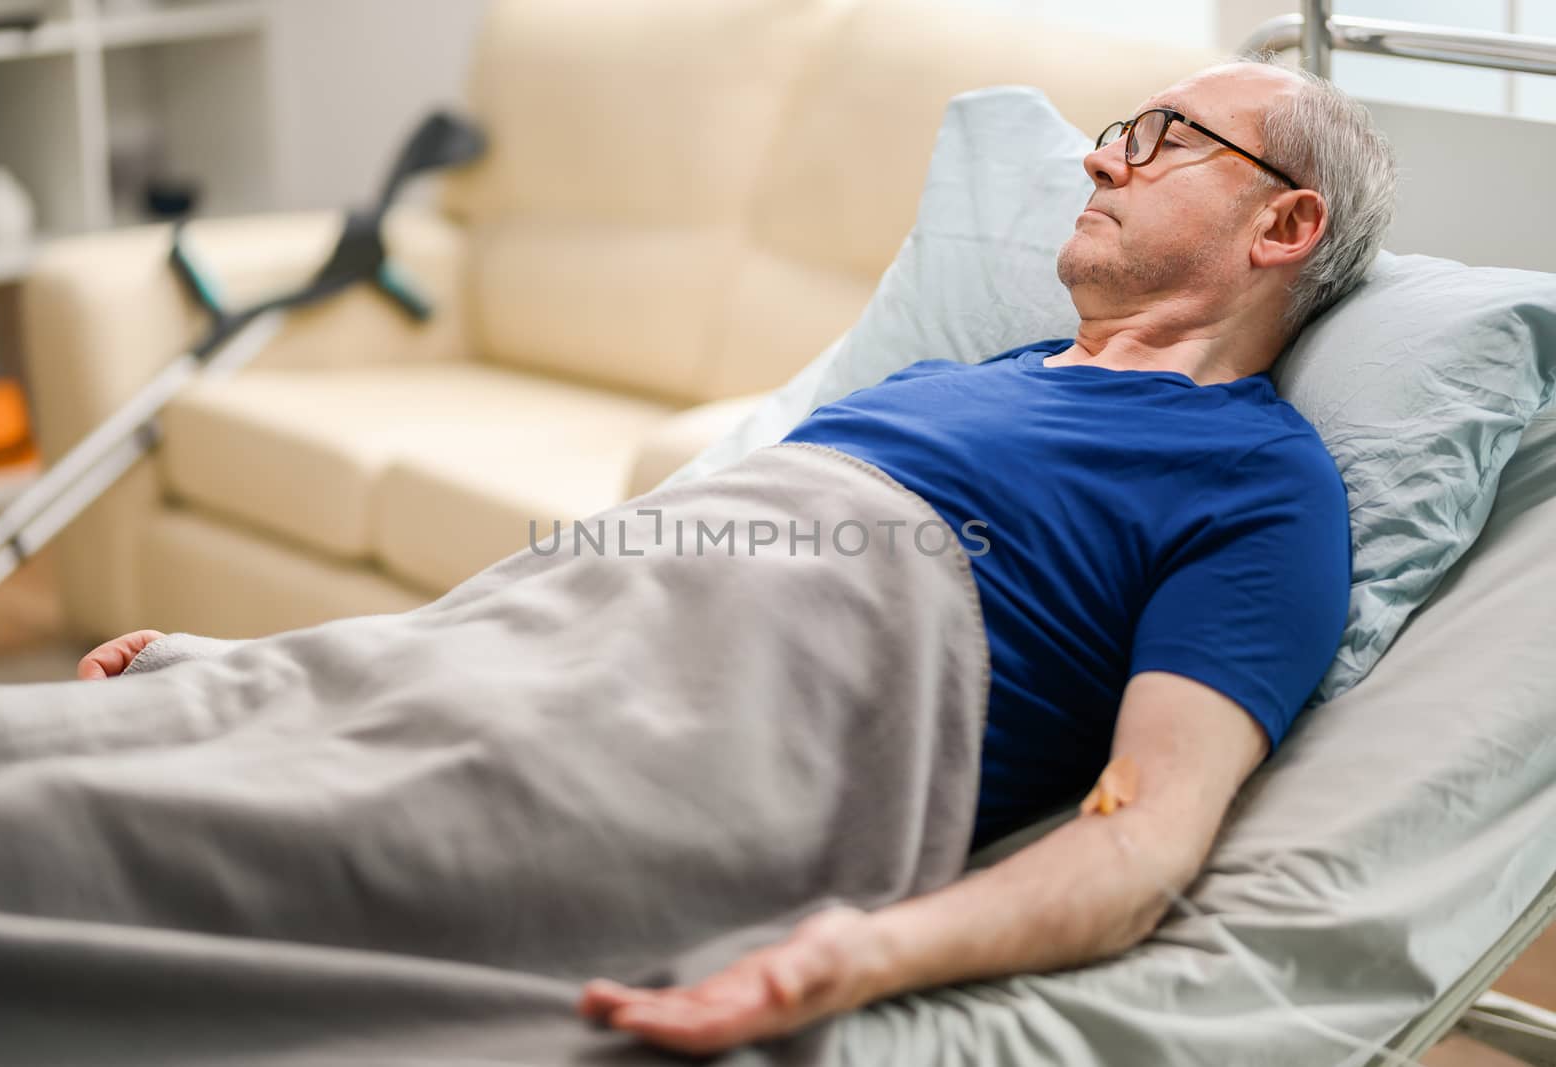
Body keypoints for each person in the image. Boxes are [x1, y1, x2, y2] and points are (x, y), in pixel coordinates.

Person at [75, 58, 1397, 1056]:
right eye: (1117, 139)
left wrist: (860, 957)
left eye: (1166, 144)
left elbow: (1147, 834)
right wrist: (313, 670)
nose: (1105, 165)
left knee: (129, 864)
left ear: (1281, 230)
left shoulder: (1257, 486)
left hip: (743, 738)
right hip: (549, 662)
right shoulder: (957, 378)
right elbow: (608, 592)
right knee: (101, 767)